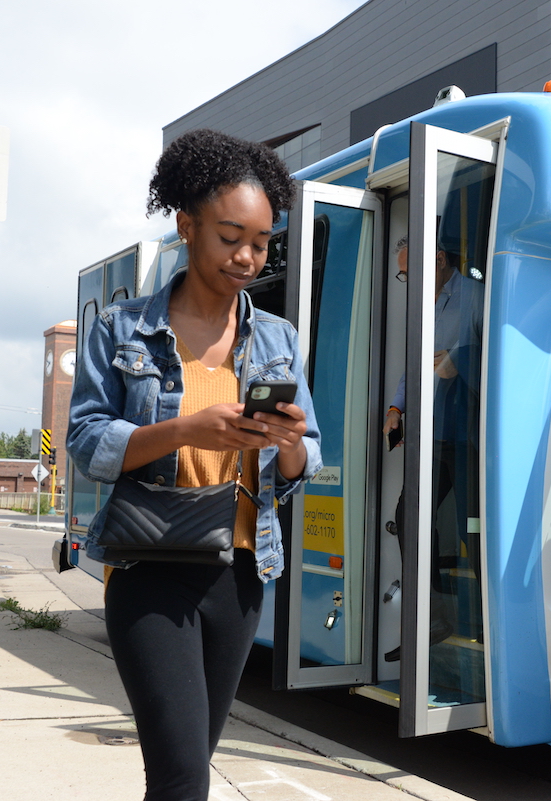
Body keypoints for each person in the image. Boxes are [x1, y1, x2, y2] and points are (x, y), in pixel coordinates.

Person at [66, 129, 322, 801]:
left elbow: (306, 459)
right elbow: (87, 443)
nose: (246, 256)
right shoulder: (121, 330)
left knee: (186, 774)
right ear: (187, 225)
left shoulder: (278, 339)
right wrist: (186, 428)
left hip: (239, 576)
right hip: (149, 569)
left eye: (261, 243)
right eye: (230, 236)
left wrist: (286, 441)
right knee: (182, 778)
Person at [382, 233, 484, 662]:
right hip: (434, 433)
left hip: (472, 437)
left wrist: (459, 358)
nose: (407, 279)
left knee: (472, 531)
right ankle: (434, 617)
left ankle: (489, 622)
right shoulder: (423, 305)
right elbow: (415, 363)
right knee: (410, 518)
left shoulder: (477, 296)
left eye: (409, 271)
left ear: (438, 258)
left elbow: (500, 356)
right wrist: (395, 407)